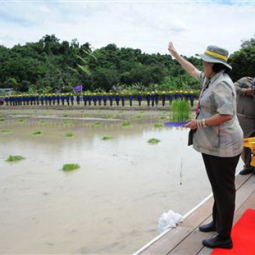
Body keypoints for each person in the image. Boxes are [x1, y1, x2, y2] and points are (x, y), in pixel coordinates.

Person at [168, 42, 243, 250]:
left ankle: (224, 237)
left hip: (225, 145)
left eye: (205, 62)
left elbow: (227, 114)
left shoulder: (222, 84)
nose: (202, 64)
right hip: (213, 144)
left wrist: (198, 123)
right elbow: (192, 70)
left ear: (213, 64)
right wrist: (176, 55)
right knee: (217, 187)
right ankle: (217, 223)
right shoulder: (210, 79)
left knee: (224, 190)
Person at [234, 76, 255, 175]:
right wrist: (247, 91)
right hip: (245, 119)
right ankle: (248, 166)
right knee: (245, 143)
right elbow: (232, 88)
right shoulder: (245, 80)